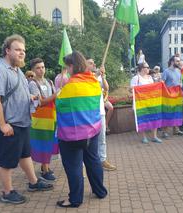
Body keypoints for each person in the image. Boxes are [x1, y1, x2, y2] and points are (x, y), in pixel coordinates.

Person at [0, 34, 53, 204]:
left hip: (21, 123)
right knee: (6, 160)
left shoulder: (17, 70)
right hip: (9, 125)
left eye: (23, 50)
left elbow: (19, 92)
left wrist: (30, 97)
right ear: (7, 51)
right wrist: (2, 125)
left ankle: (33, 183)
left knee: (25, 154)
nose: (22, 53)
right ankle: (7, 193)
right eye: (17, 50)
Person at [56, 51, 107, 208]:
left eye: (67, 66)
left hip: (72, 135)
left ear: (72, 66)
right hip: (92, 131)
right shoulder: (93, 82)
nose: (67, 70)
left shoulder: (70, 86)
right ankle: (100, 191)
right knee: (93, 161)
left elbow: (59, 104)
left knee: (74, 166)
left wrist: (59, 93)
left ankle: (75, 199)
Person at [28, 58, 59, 181]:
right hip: (39, 118)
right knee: (43, 141)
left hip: (51, 117)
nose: (41, 70)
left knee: (49, 141)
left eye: (43, 67)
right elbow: (40, 102)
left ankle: (44, 166)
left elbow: (53, 99)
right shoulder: (32, 84)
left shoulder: (49, 82)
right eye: (38, 68)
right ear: (33, 70)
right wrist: (56, 95)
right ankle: (45, 170)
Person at [87, 58, 117, 171]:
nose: (93, 64)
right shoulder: (84, 77)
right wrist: (97, 75)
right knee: (89, 139)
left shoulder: (98, 76)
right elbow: (88, 85)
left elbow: (106, 88)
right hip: (89, 112)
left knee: (102, 138)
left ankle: (102, 160)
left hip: (100, 111)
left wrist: (103, 76)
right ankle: (89, 162)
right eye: (90, 63)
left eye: (94, 62)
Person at [130, 62, 162, 144]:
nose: (148, 68)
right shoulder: (136, 78)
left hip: (150, 102)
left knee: (154, 117)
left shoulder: (150, 78)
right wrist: (139, 89)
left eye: (148, 67)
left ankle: (154, 136)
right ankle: (144, 137)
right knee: (142, 119)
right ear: (142, 68)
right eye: (147, 67)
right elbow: (130, 89)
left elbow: (153, 89)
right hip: (141, 103)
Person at [161, 56, 183, 138]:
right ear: (172, 62)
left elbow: (180, 81)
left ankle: (176, 130)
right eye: (177, 61)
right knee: (168, 112)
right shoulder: (166, 71)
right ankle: (164, 132)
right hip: (168, 96)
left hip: (177, 95)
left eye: (179, 61)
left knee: (177, 111)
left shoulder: (179, 71)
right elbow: (162, 83)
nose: (179, 62)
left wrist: (181, 84)